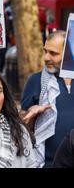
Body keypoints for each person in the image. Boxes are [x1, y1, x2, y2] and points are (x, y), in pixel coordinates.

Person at [20, 30, 74, 167]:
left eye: (53, 53)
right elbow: (20, 127)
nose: (46, 57)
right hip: (47, 163)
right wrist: (31, 115)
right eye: (45, 51)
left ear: (68, 54)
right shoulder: (35, 81)